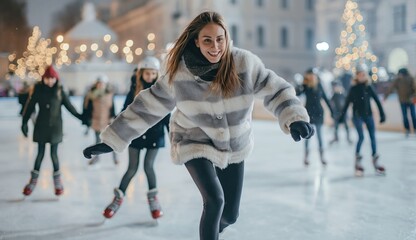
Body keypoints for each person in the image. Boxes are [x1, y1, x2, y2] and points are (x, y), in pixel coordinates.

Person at [83, 11, 313, 240]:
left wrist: (295, 117)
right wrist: (112, 139)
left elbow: (277, 89)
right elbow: (146, 106)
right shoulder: (179, 75)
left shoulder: (244, 64)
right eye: (207, 40)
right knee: (215, 200)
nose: (215, 46)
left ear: (226, 38)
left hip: (234, 143)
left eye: (220, 39)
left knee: (230, 215)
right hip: (193, 140)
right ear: (196, 41)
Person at [103, 56, 170, 220]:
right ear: (141, 73)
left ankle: (154, 201)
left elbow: (167, 115)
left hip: (155, 134)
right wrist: (116, 134)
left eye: (153, 73)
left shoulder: (161, 91)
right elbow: (124, 114)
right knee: (132, 168)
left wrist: (174, 137)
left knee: (148, 166)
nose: (150, 77)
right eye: (147, 73)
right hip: (136, 135)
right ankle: (117, 199)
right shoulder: (134, 90)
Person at [21, 65, 82, 196]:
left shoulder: (59, 91)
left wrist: (82, 117)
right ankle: (32, 182)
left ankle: (58, 182)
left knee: (54, 155)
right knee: (40, 154)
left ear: (56, 79)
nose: (50, 81)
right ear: (43, 79)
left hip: (55, 128)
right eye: (47, 79)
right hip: (41, 126)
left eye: (52, 79)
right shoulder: (38, 90)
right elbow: (30, 107)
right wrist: (24, 122)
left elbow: (70, 107)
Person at [338, 64, 386, 177]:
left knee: (373, 137)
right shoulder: (353, 89)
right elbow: (346, 104)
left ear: (365, 76)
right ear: (356, 76)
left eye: (363, 74)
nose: (361, 76)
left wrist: (382, 114)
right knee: (361, 137)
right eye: (359, 75)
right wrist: (342, 116)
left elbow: (377, 101)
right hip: (357, 116)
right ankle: (358, 161)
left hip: (368, 115)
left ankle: (375, 160)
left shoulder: (368, 87)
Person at [296, 68, 334, 166]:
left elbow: (325, 99)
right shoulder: (305, 86)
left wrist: (332, 111)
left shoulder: (319, 86)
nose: (312, 76)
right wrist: (300, 85)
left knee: (320, 137)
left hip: (319, 114)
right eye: (310, 75)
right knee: (307, 136)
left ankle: (322, 157)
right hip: (308, 114)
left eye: (314, 75)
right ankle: (306, 157)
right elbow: (297, 94)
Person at [82, 75, 118, 165]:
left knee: (111, 141)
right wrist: (87, 120)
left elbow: (112, 108)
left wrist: (113, 118)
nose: (100, 85)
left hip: (107, 121)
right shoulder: (91, 95)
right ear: (96, 84)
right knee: (97, 142)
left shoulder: (109, 95)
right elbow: (87, 108)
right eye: (99, 84)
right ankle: (96, 158)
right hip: (96, 121)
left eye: (102, 84)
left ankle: (115, 158)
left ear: (105, 85)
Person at [384, 68, 416, 137]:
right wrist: (386, 96)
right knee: (405, 116)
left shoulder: (411, 78)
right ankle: (407, 129)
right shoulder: (397, 80)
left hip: (411, 100)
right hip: (402, 101)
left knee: (413, 115)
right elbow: (391, 88)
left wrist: (415, 96)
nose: (399, 75)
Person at [329, 80, 352, 145]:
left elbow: (347, 103)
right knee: (336, 127)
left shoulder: (343, 95)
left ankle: (348, 138)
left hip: (343, 113)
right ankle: (336, 138)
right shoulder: (334, 95)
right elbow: (331, 103)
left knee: (346, 127)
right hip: (337, 114)